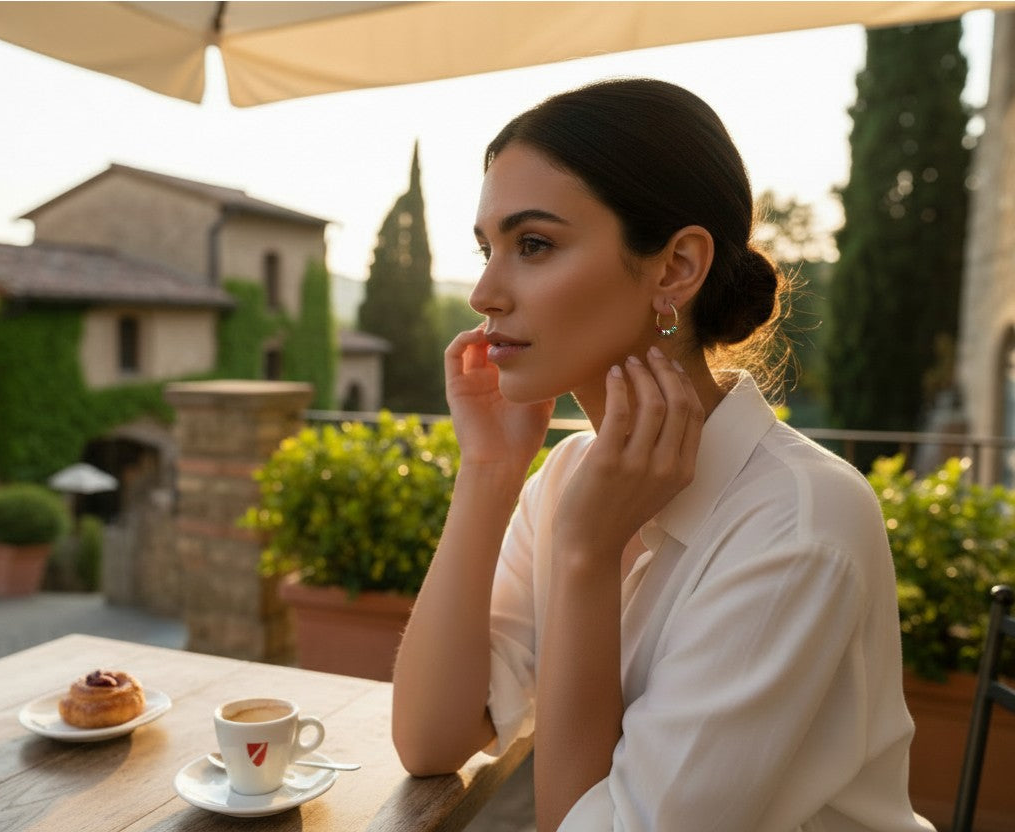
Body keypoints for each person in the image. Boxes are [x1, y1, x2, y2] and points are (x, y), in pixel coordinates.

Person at [390, 79, 930, 832]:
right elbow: (431, 738)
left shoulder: (799, 527)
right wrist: (488, 473)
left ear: (676, 268)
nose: (484, 291)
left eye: (534, 244)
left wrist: (585, 556)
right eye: (487, 249)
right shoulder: (572, 478)